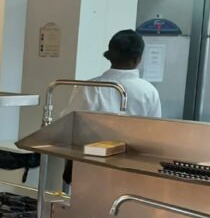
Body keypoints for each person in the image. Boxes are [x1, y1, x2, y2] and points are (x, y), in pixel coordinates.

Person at [61, 29, 162, 185]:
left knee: (84, 207)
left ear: (110, 57)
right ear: (137, 59)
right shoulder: (149, 92)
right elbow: (154, 135)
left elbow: (66, 124)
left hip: (88, 168)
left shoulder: (88, 87)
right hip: (130, 171)